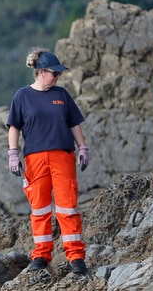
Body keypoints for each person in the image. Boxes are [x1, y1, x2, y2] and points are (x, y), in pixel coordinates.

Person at [6, 48, 90, 274]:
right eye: (55, 73)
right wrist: (13, 154)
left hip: (63, 156)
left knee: (67, 206)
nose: (58, 77)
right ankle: (41, 255)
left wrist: (82, 147)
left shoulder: (61, 95)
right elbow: (14, 126)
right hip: (35, 159)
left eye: (59, 74)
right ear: (41, 72)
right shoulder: (22, 96)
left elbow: (74, 123)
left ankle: (76, 256)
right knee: (39, 209)